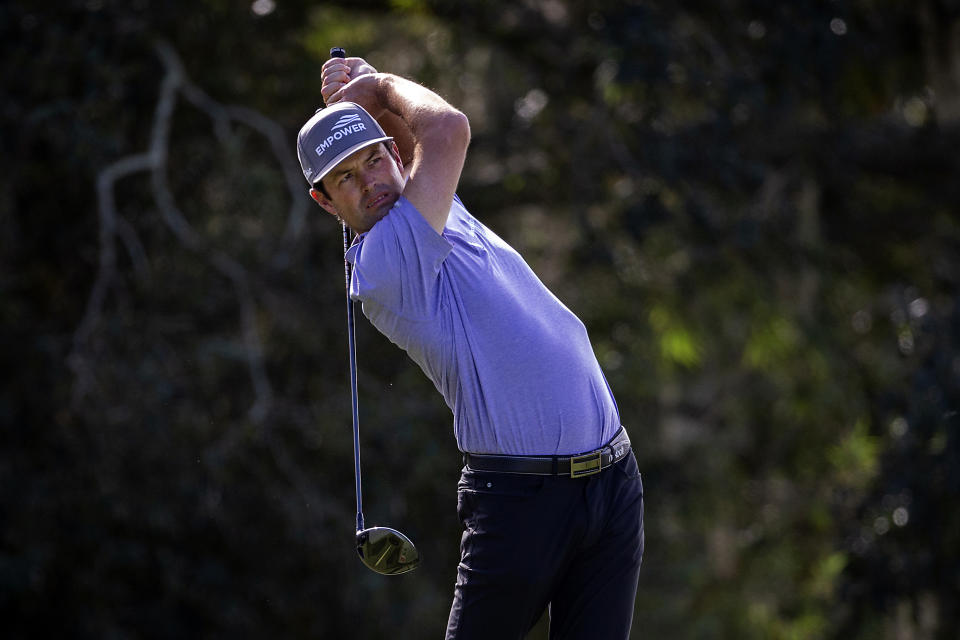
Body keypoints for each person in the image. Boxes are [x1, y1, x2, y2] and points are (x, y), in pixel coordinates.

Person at [297, 54, 644, 640]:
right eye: (346, 178)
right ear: (326, 202)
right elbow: (448, 129)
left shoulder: (422, 204)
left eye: (375, 159)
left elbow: (418, 143)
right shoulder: (384, 265)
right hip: (522, 500)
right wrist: (378, 86)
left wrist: (367, 94)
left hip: (613, 481)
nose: (372, 182)